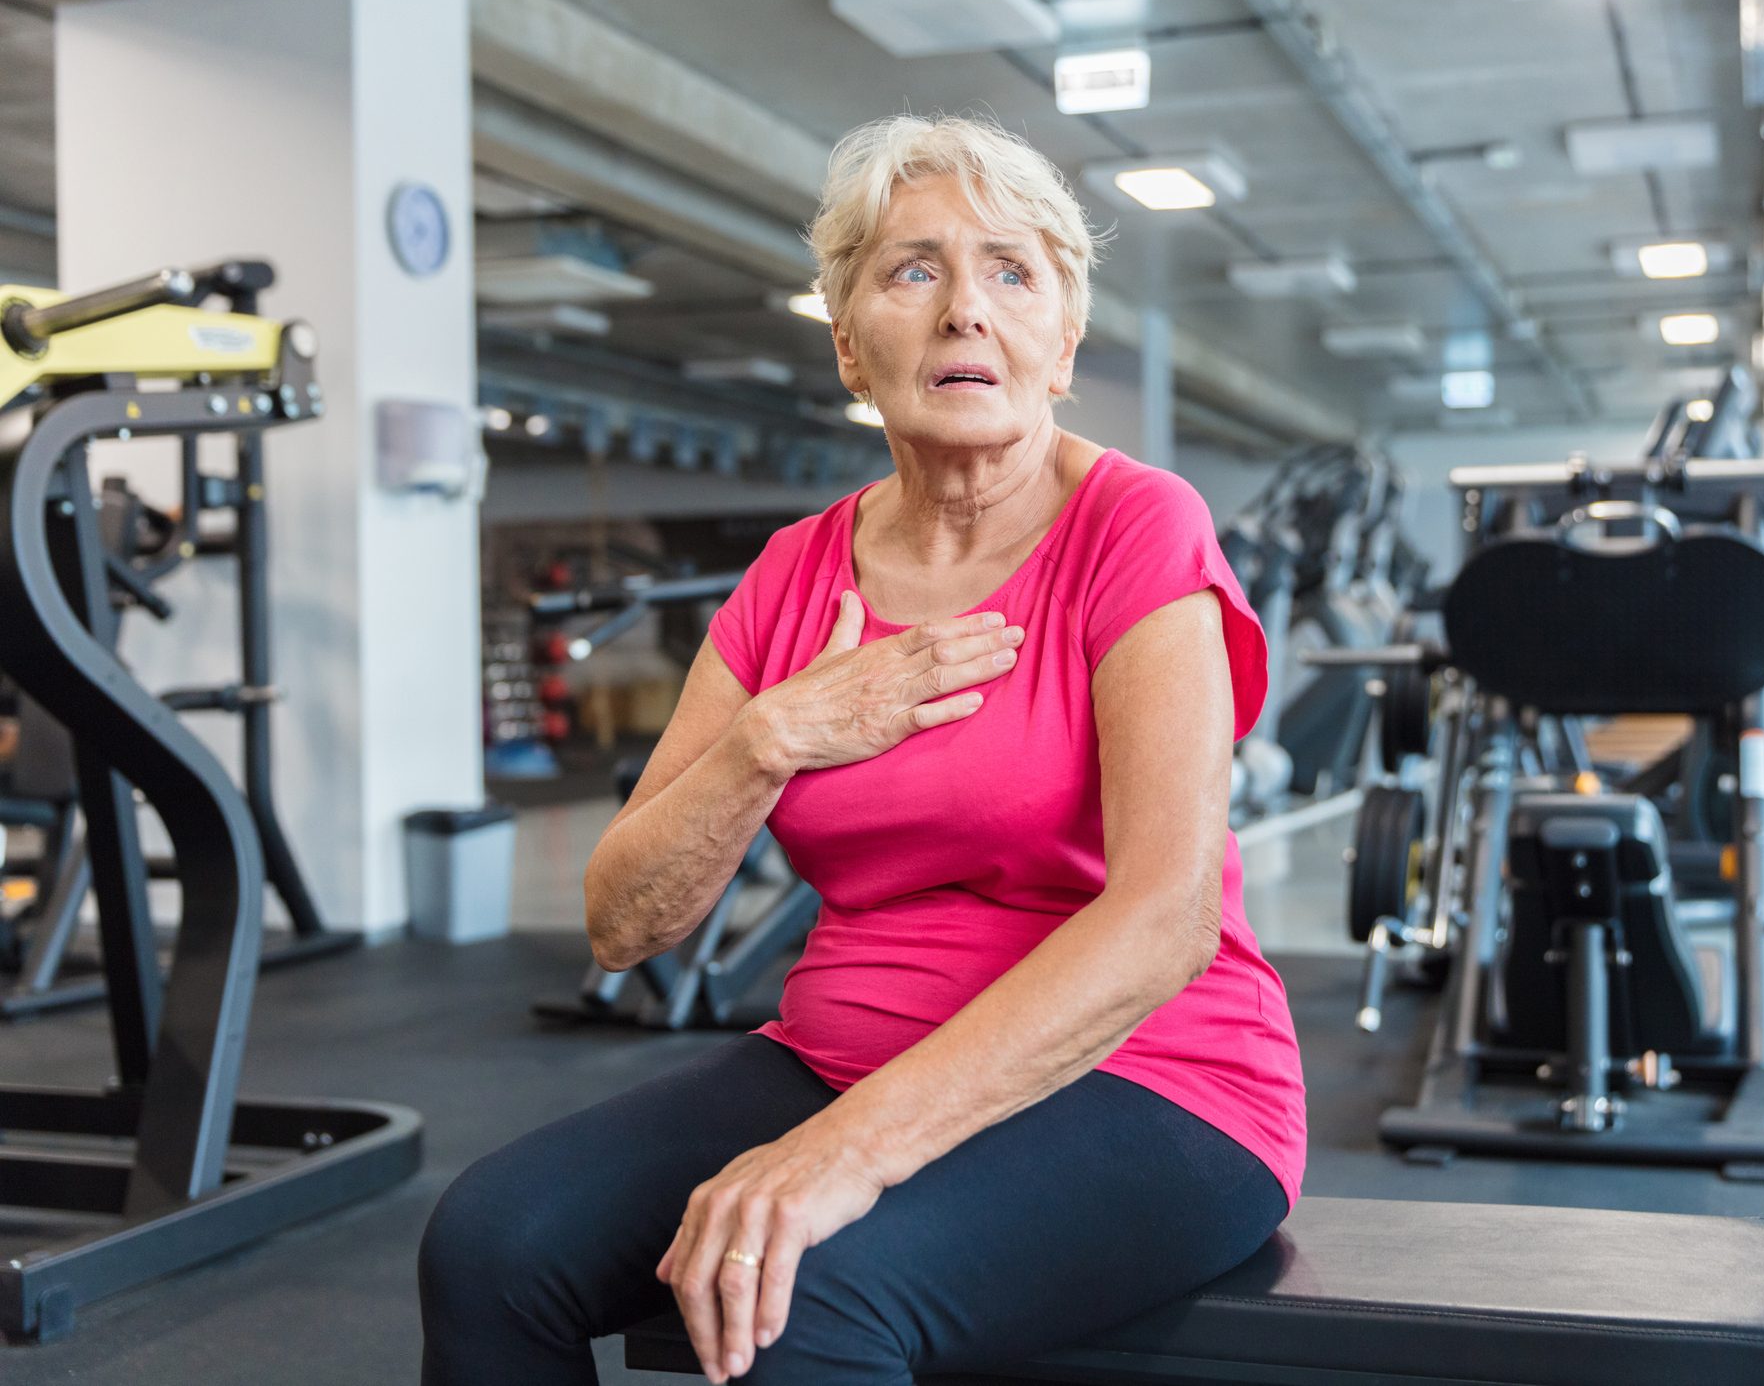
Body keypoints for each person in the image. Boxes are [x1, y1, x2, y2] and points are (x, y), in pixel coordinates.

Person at [419, 113, 1306, 1386]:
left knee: (805, 1294)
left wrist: (842, 1156)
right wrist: (776, 737)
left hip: (1155, 1079)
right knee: (491, 1243)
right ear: (848, 345)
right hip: (838, 1053)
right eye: (911, 269)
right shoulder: (794, 575)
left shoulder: (1137, 527)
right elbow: (624, 923)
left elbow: (1163, 920)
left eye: (1011, 271)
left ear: (1062, 345)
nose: (963, 311)